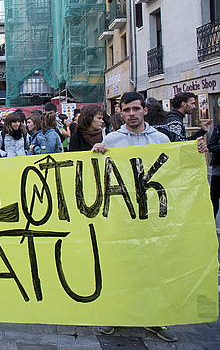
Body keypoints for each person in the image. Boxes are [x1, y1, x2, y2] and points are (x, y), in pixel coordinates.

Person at [92, 91, 176, 342]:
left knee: (154, 267)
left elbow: (174, 171)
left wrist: (197, 150)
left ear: (145, 110)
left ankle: (155, 318)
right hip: (122, 216)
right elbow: (103, 174)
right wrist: (96, 154)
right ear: (120, 112)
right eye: (126, 110)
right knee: (120, 267)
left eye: (135, 109)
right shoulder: (113, 139)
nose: (131, 114)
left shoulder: (160, 138)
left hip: (153, 216)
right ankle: (114, 315)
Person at [206, 124, 220, 219]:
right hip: (218, 169)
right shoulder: (218, 128)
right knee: (214, 199)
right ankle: (211, 224)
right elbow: (211, 146)